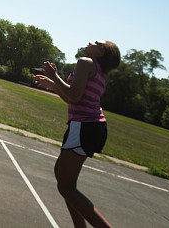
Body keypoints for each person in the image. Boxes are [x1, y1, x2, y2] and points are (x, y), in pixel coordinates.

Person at [33, 40, 121, 228]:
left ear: (101, 53)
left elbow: (74, 96)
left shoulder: (85, 62)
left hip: (84, 126)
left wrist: (55, 75)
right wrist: (52, 83)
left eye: (97, 43)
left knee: (66, 186)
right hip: (91, 127)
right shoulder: (98, 71)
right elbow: (72, 99)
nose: (90, 42)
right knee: (61, 174)